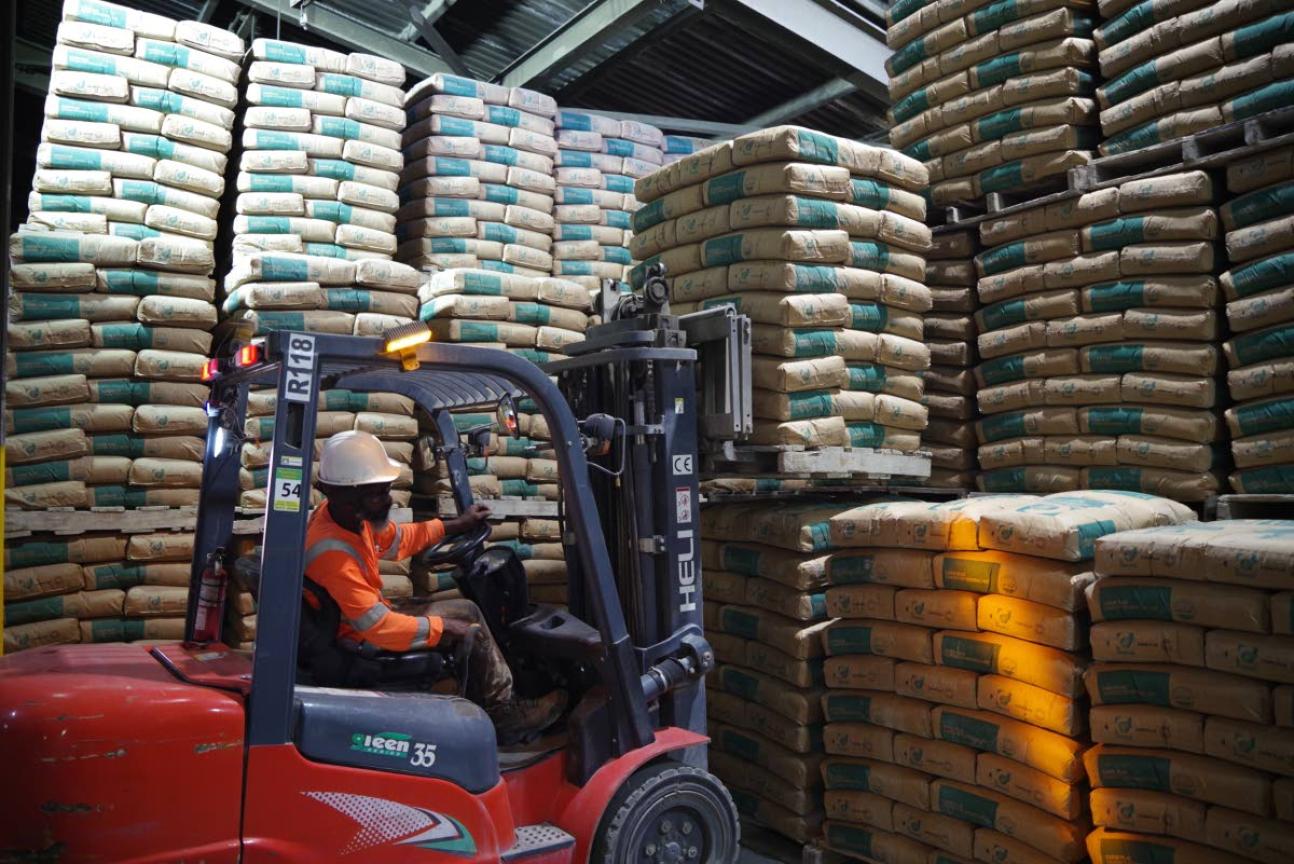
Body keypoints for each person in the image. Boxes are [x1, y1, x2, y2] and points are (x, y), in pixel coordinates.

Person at [304, 429, 565, 741]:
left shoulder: (344, 518)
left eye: (386, 489)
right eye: (377, 493)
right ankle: (503, 713)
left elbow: (396, 540)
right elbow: (379, 627)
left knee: (466, 610)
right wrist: (442, 628)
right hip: (364, 637)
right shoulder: (334, 553)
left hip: (361, 622)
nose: (387, 499)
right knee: (468, 623)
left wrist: (456, 525)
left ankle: (486, 701)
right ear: (343, 495)